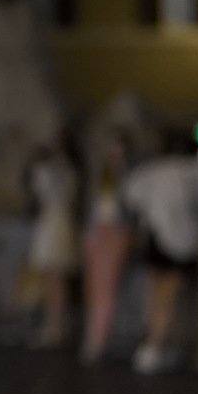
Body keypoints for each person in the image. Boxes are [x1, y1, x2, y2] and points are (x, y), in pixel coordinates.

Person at [122, 128, 198, 373]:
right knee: (171, 297)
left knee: (158, 295)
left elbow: (130, 195)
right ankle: (155, 347)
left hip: (155, 238)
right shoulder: (192, 173)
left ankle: (156, 345)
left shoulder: (153, 170)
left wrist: (153, 212)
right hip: (181, 243)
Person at [80, 131, 133, 363]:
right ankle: (96, 337)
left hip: (114, 232)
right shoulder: (102, 175)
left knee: (107, 287)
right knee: (96, 287)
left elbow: (128, 208)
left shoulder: (126, 175)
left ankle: (99, 339)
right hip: (99, 232)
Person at [26, 135, 80, 348]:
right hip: (53, 224)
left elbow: (43, 191)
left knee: (56, 277)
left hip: (55, 225)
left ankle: (55, 325)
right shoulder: (63, 171)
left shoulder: (60, 171)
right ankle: (54, 323)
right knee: (52, 277)